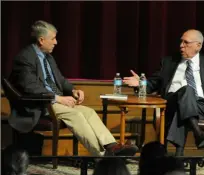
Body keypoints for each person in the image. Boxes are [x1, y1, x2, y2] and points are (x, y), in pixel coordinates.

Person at [8, 20, 138, 157]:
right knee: (75, 115)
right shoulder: (25, 58)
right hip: (39, 105)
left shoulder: (48, 58)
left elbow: (61, 80)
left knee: (89, 112)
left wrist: (73, 90)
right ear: (41, 40)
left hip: (55, 102)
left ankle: (111, 146)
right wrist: (58, 99)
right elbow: (30, 87)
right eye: (53, 39)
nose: (56, 42)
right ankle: (101, 156)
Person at [123, 29, 204, 156]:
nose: (181, 46)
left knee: (181, 108)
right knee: (186, 90)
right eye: (181, 42)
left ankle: (179, 154)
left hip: (200, 106)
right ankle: (198, 134)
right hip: (170, 102)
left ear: (198, 45)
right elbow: (152, 85)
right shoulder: (168, 62)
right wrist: (141, 83)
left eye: (186, 42)